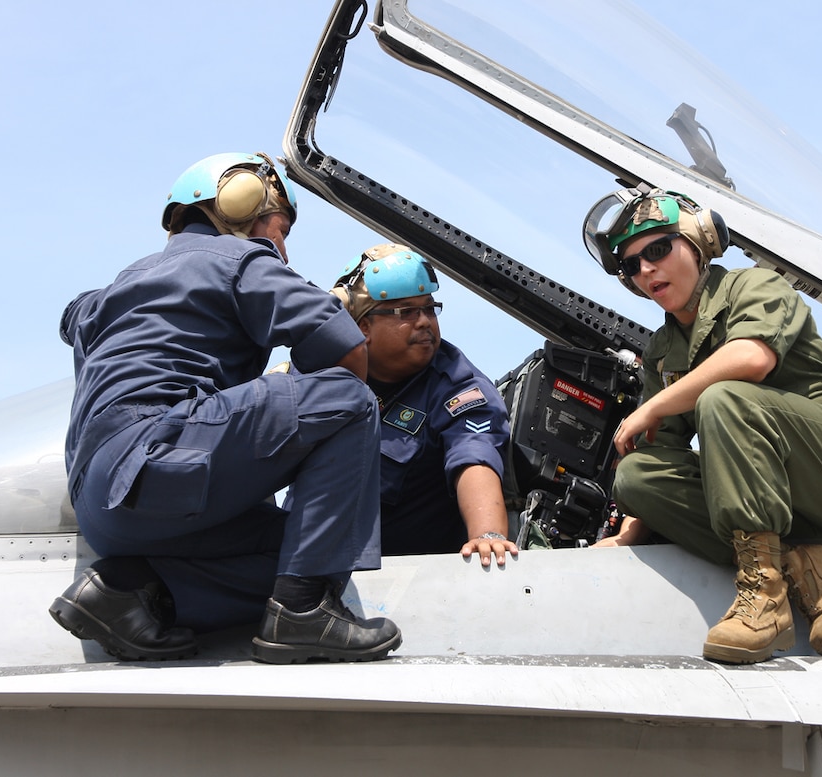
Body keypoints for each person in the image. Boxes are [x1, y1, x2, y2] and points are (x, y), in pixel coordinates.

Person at [50, 152, 401, 664]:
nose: (281, 247)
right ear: (244, 207)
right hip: (159, 462)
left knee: (298, 547)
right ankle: (303, 612)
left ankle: (130, 589)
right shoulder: (241, 260)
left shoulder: (115, 289)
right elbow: (346, 350)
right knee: (348, 400)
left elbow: (72, 317)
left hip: (103, 508)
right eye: (281, 230)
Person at [582, 186, 822, 664]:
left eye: (658, 249)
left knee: (723, 397)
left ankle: (765, 598)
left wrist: (653, 405)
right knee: (636, 476)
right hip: (777, 503)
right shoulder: (663, 351)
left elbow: (751, 357)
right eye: (632, 264)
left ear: (699, 243)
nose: (645, 270)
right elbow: (660, 453)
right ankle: (798, 565)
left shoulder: (755, 286)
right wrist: (629, 535)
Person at [327, 243, 517, 567]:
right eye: (406, 312)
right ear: (363, 327)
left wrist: (488, 536)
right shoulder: (324, 371)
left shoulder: (457, 386)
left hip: (398, 578)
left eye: (429, 309)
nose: (425, 322)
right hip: (311, 560)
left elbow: (474, 456)